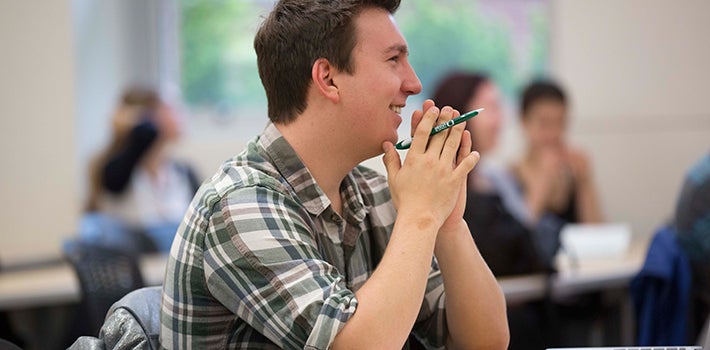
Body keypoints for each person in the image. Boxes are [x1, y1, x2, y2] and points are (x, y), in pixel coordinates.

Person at [160, 1, 509, 349]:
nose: (414, 83)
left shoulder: (372, 193)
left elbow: (486, 342)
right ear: (328, 78)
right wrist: (420, 215)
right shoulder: (240, 205)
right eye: (393, 60)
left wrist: (446, 222)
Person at [431, 71, 548, 277]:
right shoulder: (440, 190)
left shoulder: (496, 178)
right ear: (460, 114)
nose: (500, 120)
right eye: (492, 108)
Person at [83, 87, 200, 252]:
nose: (181, 115)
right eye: (170, 109)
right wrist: (138, 132)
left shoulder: (183, 171)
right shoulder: (118, 171)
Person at [512, 80, 603, 228]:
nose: (553, 133)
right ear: (524, 122)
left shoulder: (573, 171)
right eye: (545, 123)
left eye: (561, 123)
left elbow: (596, 231)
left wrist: (585, 181)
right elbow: (517, 234)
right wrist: (544, 179)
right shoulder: (509, 176)